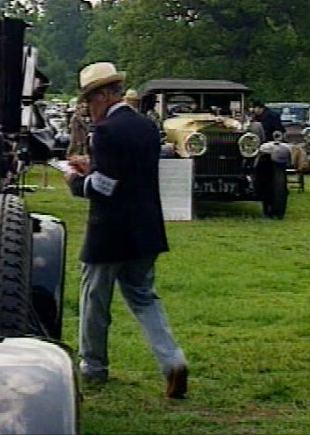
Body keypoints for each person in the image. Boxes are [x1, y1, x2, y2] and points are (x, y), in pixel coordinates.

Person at [64, 61, 188, 399]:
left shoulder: (105, 132)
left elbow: (105, 187)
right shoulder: (147, 127)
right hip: (146, 229)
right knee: (145, 299)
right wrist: (94, 167)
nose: (89, 108)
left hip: (109, 233)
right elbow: (127, 172)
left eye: (90, 100)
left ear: (103, 96)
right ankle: (173, 361)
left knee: (94, 301)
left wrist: (76, 180)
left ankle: (93, 366)